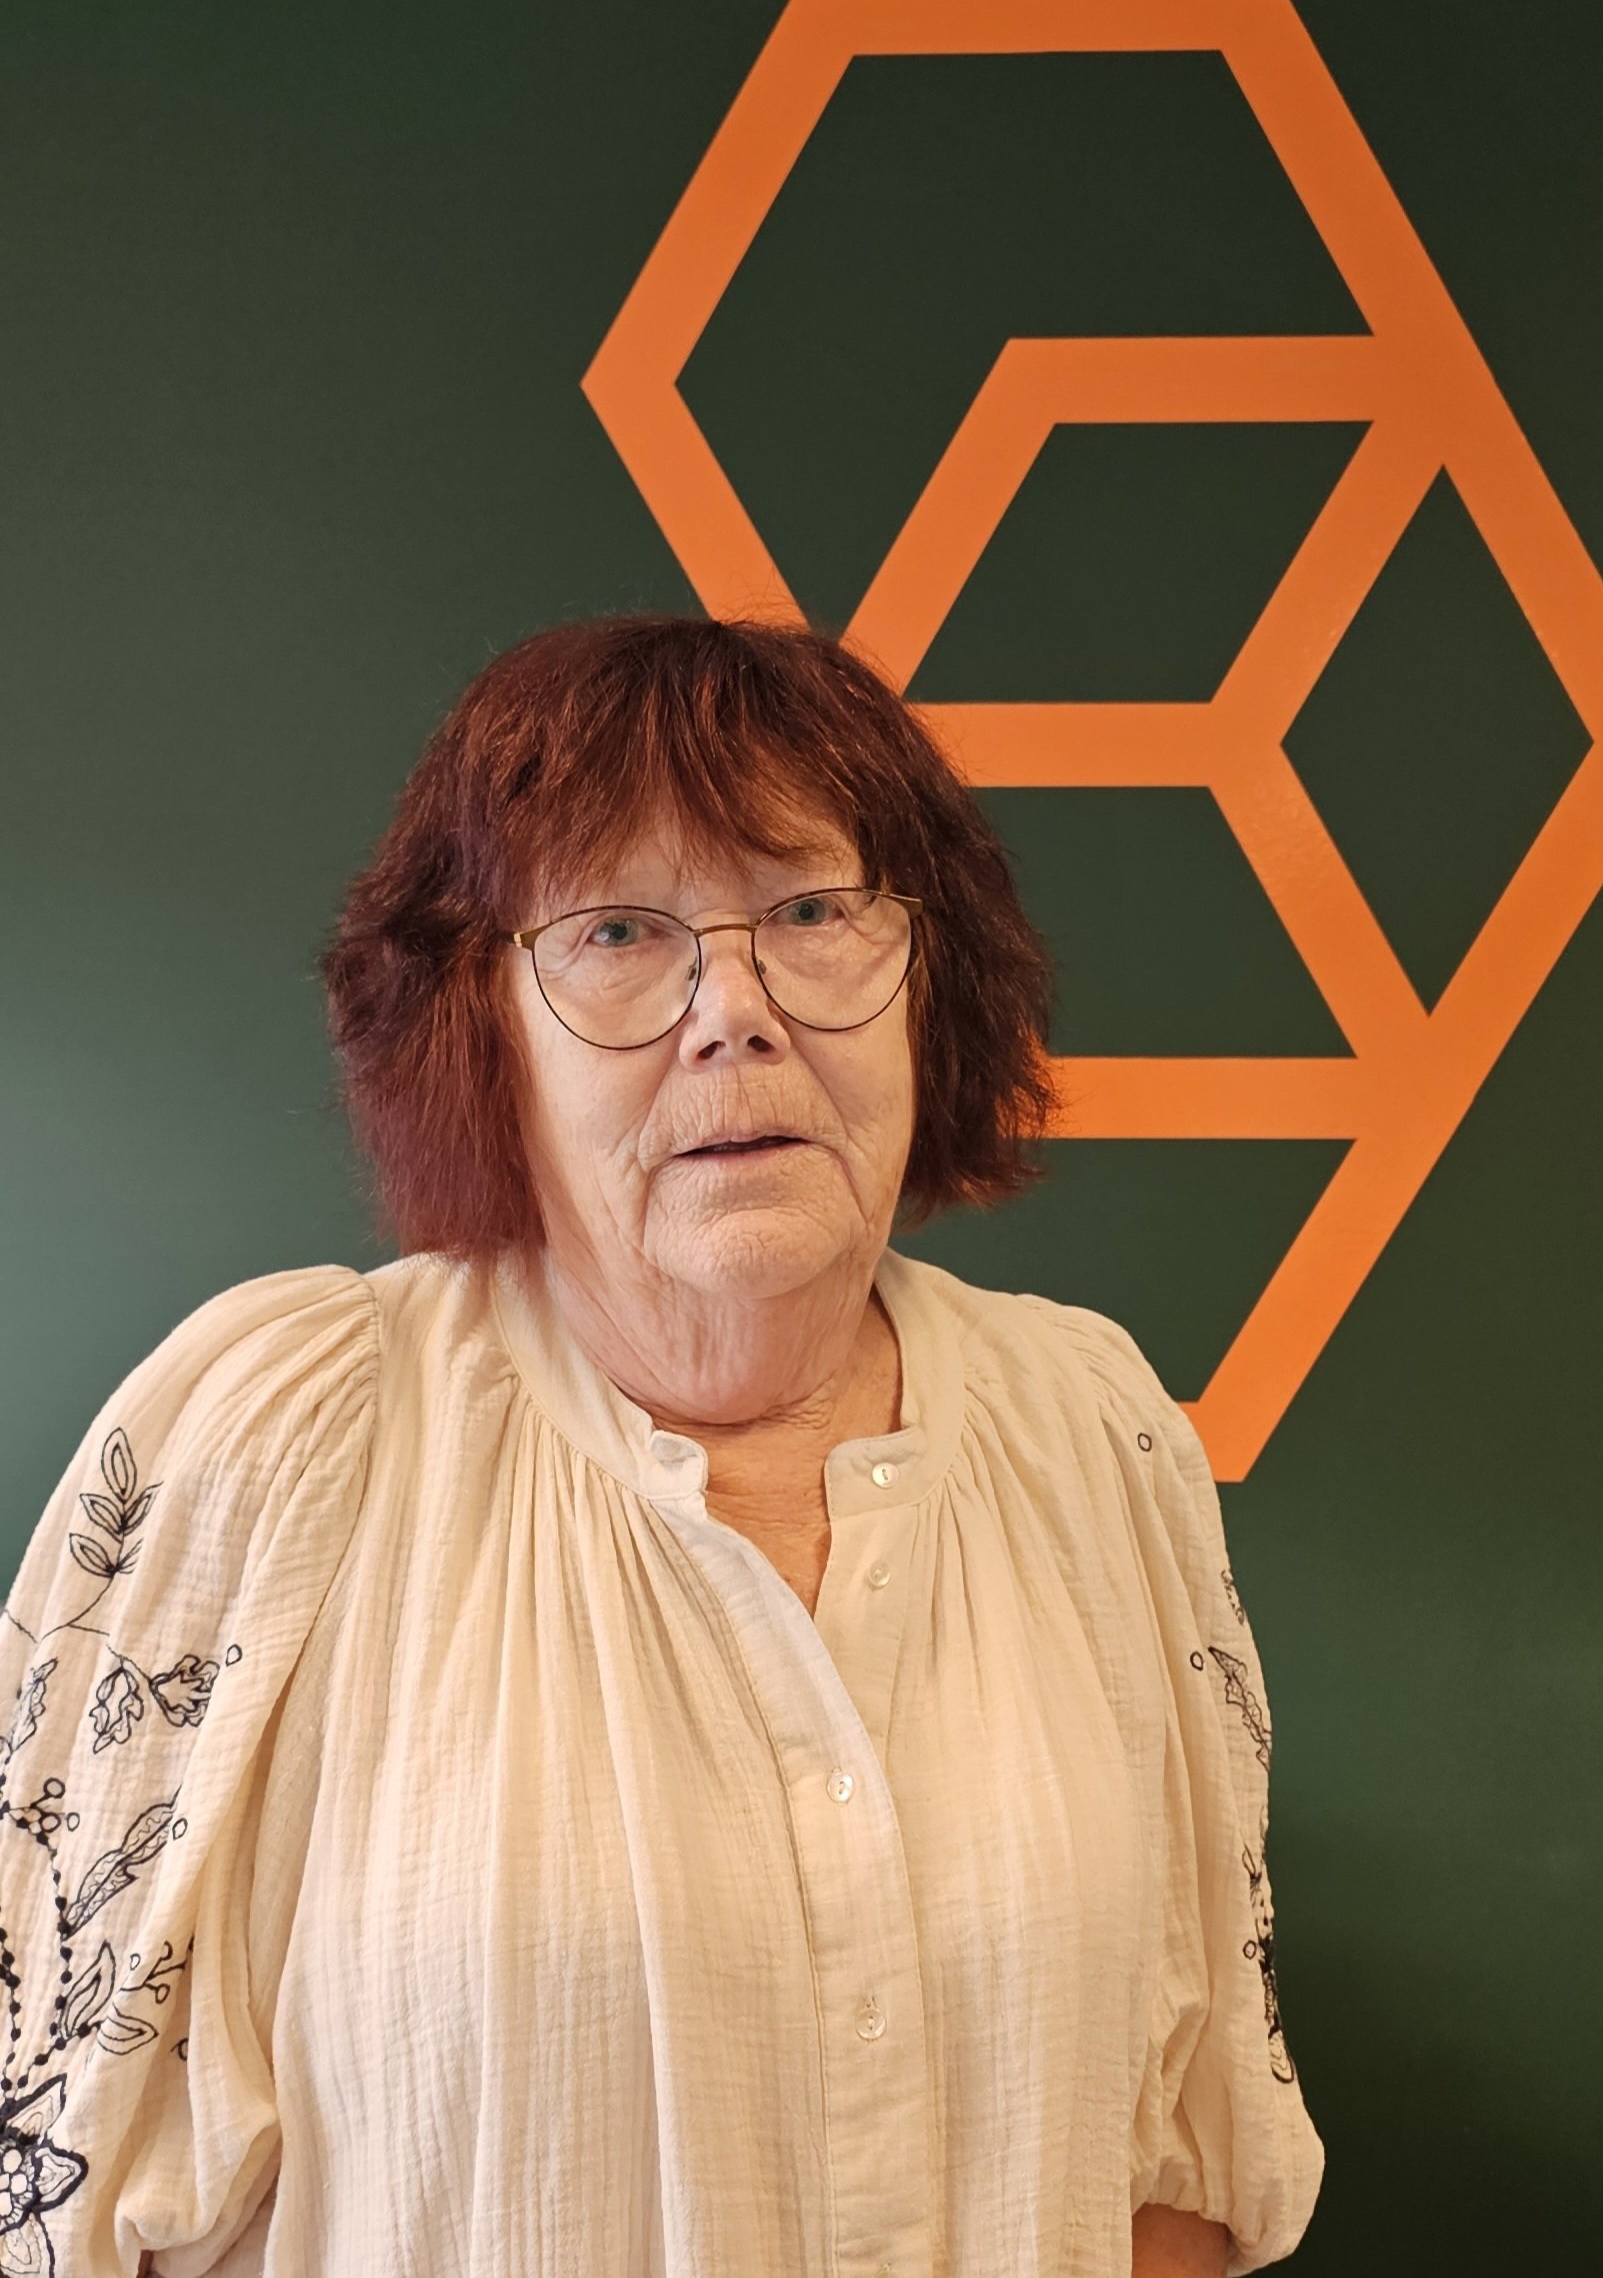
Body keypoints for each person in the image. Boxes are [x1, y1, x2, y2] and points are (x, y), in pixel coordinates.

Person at [0, 613, 1323, 2277]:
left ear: (933, 983)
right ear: (482, 1024)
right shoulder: (274, 1436)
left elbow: (1180, 2155)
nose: (735, 1013)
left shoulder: (1095, 1428)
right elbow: (48, 2182)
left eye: (812, 911)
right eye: (620, 932)